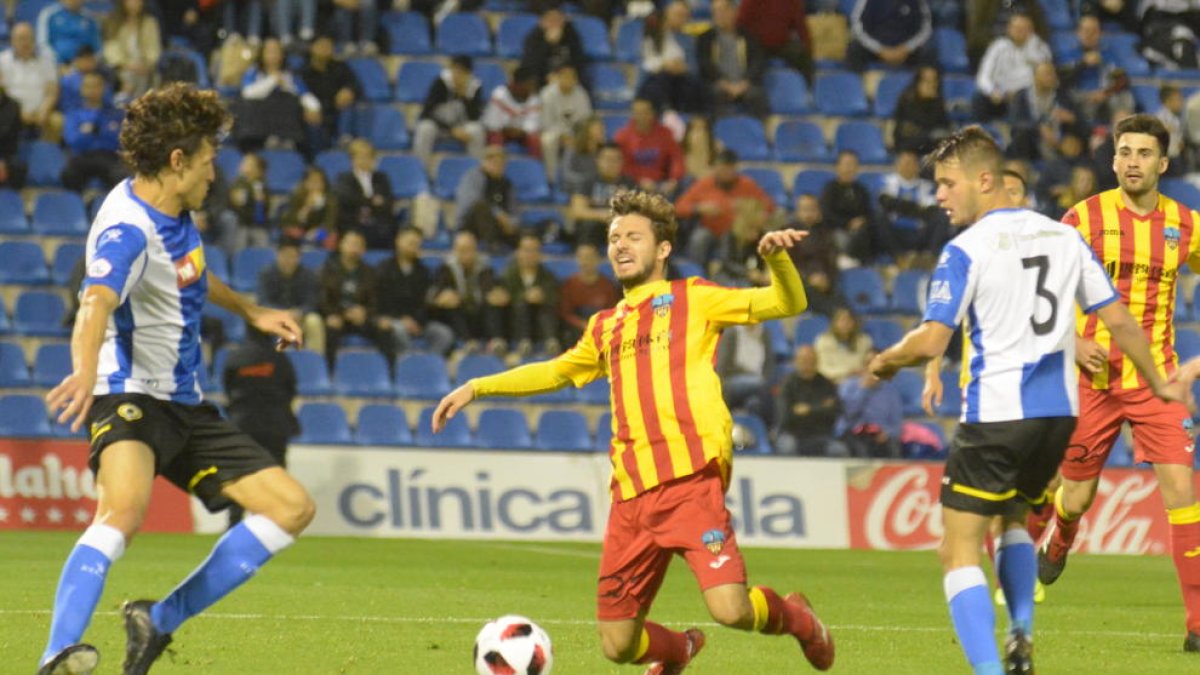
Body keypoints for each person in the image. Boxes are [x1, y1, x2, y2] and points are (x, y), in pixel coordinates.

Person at [431, 189, 834, 673]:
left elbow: (788, 302)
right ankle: (678, 650)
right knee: (619, 645)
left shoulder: (695, 298)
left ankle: (797, 617)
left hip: (690, 483)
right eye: (613, 237)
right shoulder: (604, 326)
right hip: (632, 500)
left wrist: (778, 261)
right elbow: (556, 371)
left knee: (732, 610)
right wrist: (477, 386)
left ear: (662, 248)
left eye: (633, 237)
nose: (620, 245)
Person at [867, 125, 1177, 675]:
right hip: (1057, 415)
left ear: (983, 181)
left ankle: (991, 670)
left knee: (957, 550)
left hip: (995, 417)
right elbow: (1120, 319)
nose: (938, 195)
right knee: (1013, 519)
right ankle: (1021, 635)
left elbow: (934, 338)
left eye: (946, 183)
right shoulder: (1062, 237)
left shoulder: (966, 248)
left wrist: (887, 359)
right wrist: (1158, 381)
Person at [37, 83, 314, 675]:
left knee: (290, 507)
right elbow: (94, 303)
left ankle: (157, 622)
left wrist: (251, 311)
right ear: (178, 161)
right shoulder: (127, 232)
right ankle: (56, 654)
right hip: (128, 395)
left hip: (186, 405)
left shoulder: (175, 211)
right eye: (210, 161)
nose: (217, 173)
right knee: (123, 513)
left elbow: (190, 272)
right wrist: (85, 371)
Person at [1037, 114, 1200, 654]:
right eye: (1125, 152)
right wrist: (1069, 340)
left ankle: (1197, 625)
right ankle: (1061, 534)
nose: (1133, 161)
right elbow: (1044, 292)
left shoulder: (1187, 224)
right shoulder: (1082, 218)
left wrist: (1194, 366)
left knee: (1183, 493)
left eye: (1144, 153)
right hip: (1095, 379)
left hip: (1158, 381)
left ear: (1163, 163)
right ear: (1113, 161)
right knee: (1077, 497)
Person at [221, 328, 300, 528]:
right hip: (275, 423)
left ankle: (234, 520)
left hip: (242, 422)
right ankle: (273, 521)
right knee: (276, 473)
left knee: (239, 473)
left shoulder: (235, 357)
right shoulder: (279, 359)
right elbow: (290, 388)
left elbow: (228, 387)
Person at [317, 229, 396, 371]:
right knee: (331, 327)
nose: (354, 248)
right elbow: (322, 300)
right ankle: (329, 372)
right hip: (337, 316)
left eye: (358, 245)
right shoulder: (327, 270)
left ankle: (389, 373)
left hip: (362, 318)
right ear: (341, 245)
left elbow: (375, 302)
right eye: (351, 244)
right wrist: (342, 313)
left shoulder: (370, 273)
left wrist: (365, 312)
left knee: (385, 327)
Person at [377, 226, 456, 356]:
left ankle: (429, 364)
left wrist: (417, 321)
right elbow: (382, 301)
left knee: (444, 334)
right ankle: (406, 365)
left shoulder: (423, 272)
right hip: (393, 320)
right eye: (410, 243)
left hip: (418, 323)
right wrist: (400, 319)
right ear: (398, 241)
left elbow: (424, 302)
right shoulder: (384, 269)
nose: (414, 247)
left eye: (417, 244)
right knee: (399, 330)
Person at [972, 12, 1051, 122]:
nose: (1019, 31)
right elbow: (983, 76)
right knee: (978, 98)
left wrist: (1017, 92)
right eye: (1016, 28)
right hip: (999, 96)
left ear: (1031, 30)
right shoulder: (998, 46)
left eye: (1024, 28)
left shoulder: (1040, 48)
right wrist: (992, 91)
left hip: (1026, 98)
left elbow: (1044, 77)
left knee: (1023, 100)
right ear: (1009, 29)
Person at [412, 55, 486, 170]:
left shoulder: (475, 86)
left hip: (462, 128)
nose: (457, 75)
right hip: (439, 126)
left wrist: (464, 97)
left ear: (469, 74)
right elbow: (426, 113)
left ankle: (474, 172)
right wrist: (451, 130)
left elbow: (474, 117)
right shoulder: (441, 82)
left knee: (476, 130)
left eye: (462, 72)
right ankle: (420, 171)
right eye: (455, 70)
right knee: (424, 128)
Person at [61, 71, 126, 192]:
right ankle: (76, 207)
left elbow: (118, 141)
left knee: (122, 177)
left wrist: (91, 131)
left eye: (96, 86)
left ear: (103, 88)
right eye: (88, 86)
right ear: (82, 89)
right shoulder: (73, 114)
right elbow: (73, 141)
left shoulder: (115, 114)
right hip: (82, 156)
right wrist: (100, 132)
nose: (92, 90)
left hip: (108, 156)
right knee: (68, 174)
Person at [776, 345, 842, 457]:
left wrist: (808, 410)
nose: (807, 363)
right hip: (792, 434)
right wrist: (820, 408)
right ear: (795, 362)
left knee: (839, 450)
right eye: (803, 360)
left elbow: (833, 413)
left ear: (817, 362)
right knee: (788, 447)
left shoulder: (826, 384)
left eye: (811, 360)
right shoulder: (787, 384)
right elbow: (785, 416)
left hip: (819, 435)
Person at [557, 242, 619, 345]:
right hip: (576, 329)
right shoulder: (569, 284)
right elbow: (565, 313)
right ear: (577, 260)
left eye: (589, 257)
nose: (585, 261)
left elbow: (612, 312)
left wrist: (598, 326)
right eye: (582, 257)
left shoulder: (608, 286)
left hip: (601, 328)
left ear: (597, 260)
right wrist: (582, 324)